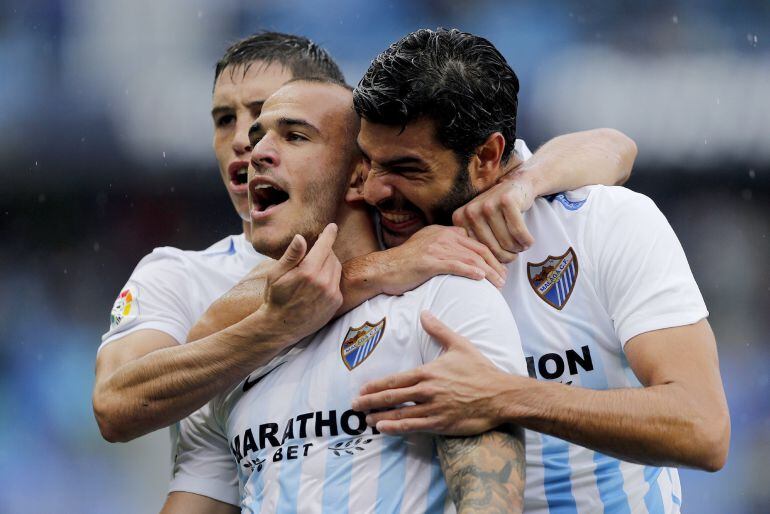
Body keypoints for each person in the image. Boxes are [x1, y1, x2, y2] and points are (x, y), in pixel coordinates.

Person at [92, 31, 636, 444]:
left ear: (353, 157)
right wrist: (375, 271)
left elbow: (613, 146)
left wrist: (526, 183)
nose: (245, 143)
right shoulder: (182, 273)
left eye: (280, 123)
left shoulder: (408, 216)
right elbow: (120, 404)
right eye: (224, 120)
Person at [349, 28, 730, 513]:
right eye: (368, 162)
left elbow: (702, 428)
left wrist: (504, 395)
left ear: (487, 157)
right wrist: (377, 268)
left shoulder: (602, 223)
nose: (375, 189)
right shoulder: (367, 227)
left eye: (407, 168)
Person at [164, 77, 529, 513]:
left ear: (359, 177)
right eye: (259, 137)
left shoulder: (445, 298)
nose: (255, 152)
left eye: (295, 136)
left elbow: (492, 500)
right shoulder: (240, 353)